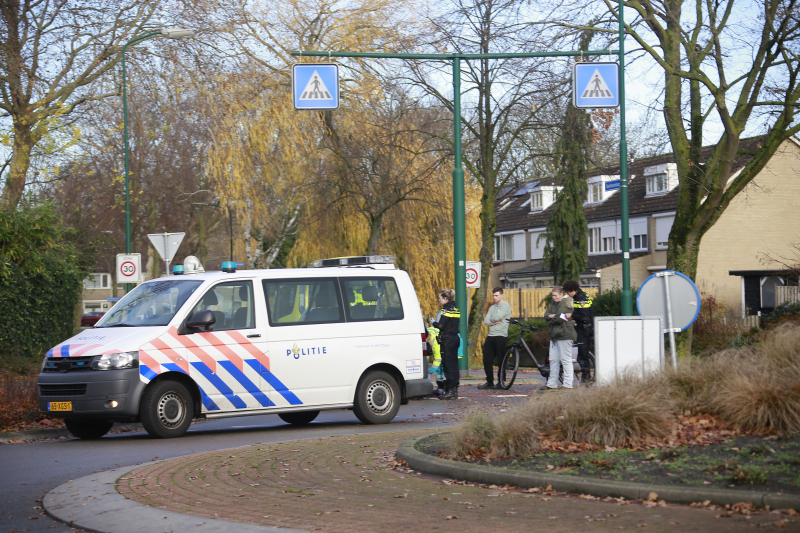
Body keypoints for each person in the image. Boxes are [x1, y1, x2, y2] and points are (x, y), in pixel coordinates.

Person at [479, 287, 512, 390]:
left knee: (501, 360)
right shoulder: (492, 307)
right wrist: (493, 321)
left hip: (501, 335)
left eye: (497, 295)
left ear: (502, 295)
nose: (494, 297)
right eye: (493, 295)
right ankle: (489, 381)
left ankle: (501, 381)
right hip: (491, 335)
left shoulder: (506, 306)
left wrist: (492, 320)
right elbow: (485, 321)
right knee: (486, 359)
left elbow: (496, 317)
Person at [544, 286, 577, 390]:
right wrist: (550, 316)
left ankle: (567, 384)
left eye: (556, 295)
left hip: (564, 334)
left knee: (565, 359)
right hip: (555, 336)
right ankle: (551, 384)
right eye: (553, 295)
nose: (554, 298)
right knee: (553, 360)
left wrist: (551, 317)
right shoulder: (554, 302)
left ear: (562, 294)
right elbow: (545, 314)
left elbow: (559, 318)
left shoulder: (565, 302)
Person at [563, 279, 594, 384]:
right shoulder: (579, 297)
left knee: (582, 356)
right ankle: (585, 378)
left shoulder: (581, 298)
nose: (567, 294)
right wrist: (573, 318)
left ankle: (586, 379)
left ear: (573, 290)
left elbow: (584, 316)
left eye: (568, 292)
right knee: (582, 355)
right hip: (583, 329)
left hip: (584, 330)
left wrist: (571, 316)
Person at [432, 289, 460, 400]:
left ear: (445, 298)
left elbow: (441, 326)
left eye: (440, 298)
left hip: (447, 340)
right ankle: (454, 390)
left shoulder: (446, 310)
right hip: (454, 339)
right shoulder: (456, 309)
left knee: (448, 366)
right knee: (454, 366)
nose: (439, 300)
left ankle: (450, 391)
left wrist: (433, 322)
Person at [427, 313, 445, 396]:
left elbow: (438, 359)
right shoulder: (431, 332)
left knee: (441, 367)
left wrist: (429, 373)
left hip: (444, 351)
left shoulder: (434, 341)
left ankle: (443, 388)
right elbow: (427, 354)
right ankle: (441, 387)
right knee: (440, 370)